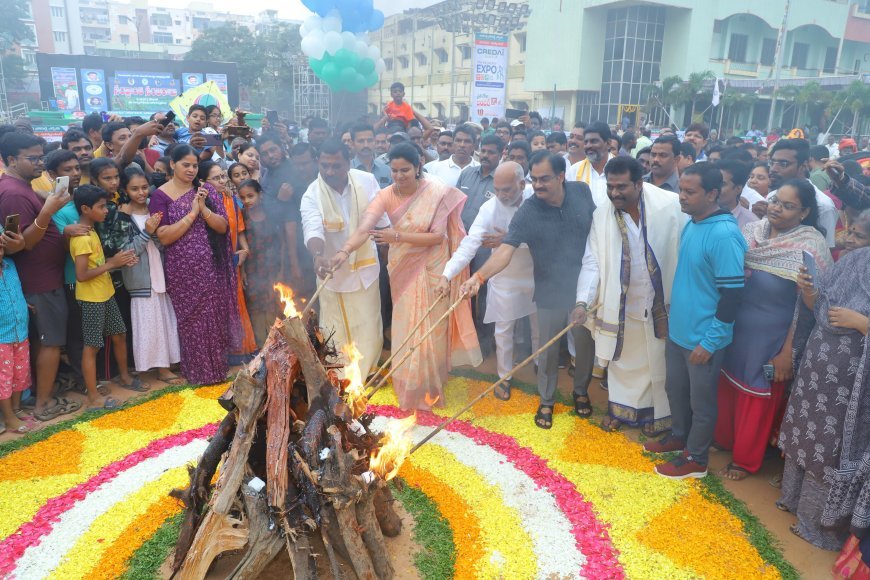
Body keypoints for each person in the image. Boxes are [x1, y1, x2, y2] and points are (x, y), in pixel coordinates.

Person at [329, 142, 481, 409]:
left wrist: (395, 236)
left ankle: (431, 387)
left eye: (405, 170)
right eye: (395, 170)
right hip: (402, 267)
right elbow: (366, 226)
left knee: (430, 329)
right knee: (405, 328)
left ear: (418, 167)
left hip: (433, 266)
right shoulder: (386, 194)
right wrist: (344, 251)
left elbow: (437, 237)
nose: (399, 176)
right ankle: (410, 387)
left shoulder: (437, 191)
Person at [461, 151, 596, 429]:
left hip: (585, 283)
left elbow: (599, 232)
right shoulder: (529, 210)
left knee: (584, 344)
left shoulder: (582, 192)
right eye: (534, 179)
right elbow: (505, 250)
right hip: (548, 286)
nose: (538, 185)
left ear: (561, 176)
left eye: (544, 179)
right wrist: (480, 277)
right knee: (547, 348)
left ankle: (580, 391)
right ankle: (546, 400)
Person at [715, 179, 832, 481]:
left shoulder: (809, 245)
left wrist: (787, 353)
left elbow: (809, 308)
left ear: (804, 212)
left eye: (787, 205)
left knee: (760, 393)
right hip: (737, 330)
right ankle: (724, 440)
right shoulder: (752, 231)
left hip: (774, 341)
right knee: (729, 385)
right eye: (776, 200)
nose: (777, 208)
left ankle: (745, 460)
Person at [646, 162, 747, 479]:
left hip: (704, 339)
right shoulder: (693, 222)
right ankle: (678, 436)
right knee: (675, 390)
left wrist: (710, 342)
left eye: (690, 192)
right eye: (681, 190)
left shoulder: (724, 235)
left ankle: (697, 459)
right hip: (679, 332)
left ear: (713, 193)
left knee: (701, 403)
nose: (682, 197)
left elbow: (732, 296)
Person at [778, 209, 870, 551]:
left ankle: (816, 524)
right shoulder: (848, 262)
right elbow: (822, 312)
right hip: (820, 371)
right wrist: (811, 292)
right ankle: (792, 500)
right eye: (851, 233)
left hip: (853, 382)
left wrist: (863, 324)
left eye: (859, 236)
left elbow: (853, 319)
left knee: (827, 450)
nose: (849, 241)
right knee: (806, 436)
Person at [574, 156, 682, 434]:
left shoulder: (669, 206)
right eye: (610, 186)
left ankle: (658, 417)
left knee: (657, 362)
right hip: (620, 302)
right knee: (621, 361)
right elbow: (592, 261)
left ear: (639, 183)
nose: (614, 193)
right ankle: (621, 412)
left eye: (622, 187)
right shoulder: (602, 215)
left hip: (660, 301)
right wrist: (582, 301)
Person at [0, 132, 82, 422]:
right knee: (50, 342)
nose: (38, 163)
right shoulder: (13, 192)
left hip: (44, 277)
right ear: (11, 160)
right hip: (39, 280)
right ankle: (43, 404)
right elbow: (25, 242)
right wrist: (47, 212)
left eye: (40, 157)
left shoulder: (22, 187)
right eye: (31, 158)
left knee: (45, 340)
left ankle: (37, 395)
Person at [437, 162, 538, 394]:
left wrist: (509, 240)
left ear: (522, 185)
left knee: (538, 327)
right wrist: (447, 274)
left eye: (508, 190)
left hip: (536, 274)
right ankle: (504, 376)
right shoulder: (490, 207)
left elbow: (546, 237)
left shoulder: (536, 200)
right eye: (497, 189)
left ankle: (541, 364)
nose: (501, 196)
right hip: (503, 275)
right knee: (503, 329)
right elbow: (470, 244)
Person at [149, 144, 239, 385]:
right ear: (172, 164)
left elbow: (222, 227)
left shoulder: (205, 190)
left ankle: (216, 369)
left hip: (208, 264)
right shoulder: (160, 196)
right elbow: (165, 236)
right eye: (185, 165)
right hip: (181, 269)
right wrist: (191, 213)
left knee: (212, 317)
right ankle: (197, 371)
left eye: (194, 165)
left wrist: (204, 211)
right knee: (190, 320)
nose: (190, 170)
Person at [300, 139, 386, 376]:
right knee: (336, 327)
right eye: (324, 165)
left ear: (348, 163)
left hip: (366, 270)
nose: (329, 171)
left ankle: (366, 373)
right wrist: (318, 256)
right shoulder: (312, 194)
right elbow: (312, 228)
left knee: (368, 323)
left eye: (336, 166)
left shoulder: (366, 181)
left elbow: (382, 220)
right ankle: (340, 375)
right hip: (332, 273)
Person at [71, 185, 141, 409]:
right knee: (92, 346)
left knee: (119, 333)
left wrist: (117, 262)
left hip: (105, 292)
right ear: (85, 208)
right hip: (92, 298)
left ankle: (124, 377)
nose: (106, 211)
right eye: (101, 207)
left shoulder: (90, 230)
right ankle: (93, 397)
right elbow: (81, 275)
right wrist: (112, 264)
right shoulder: (82, 237)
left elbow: (98, 265)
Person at [112, 167, 182, 384]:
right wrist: (147, 232)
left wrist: (157, 233)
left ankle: (168, 363)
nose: (141, 193)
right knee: (149, 322)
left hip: (160, 272)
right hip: (141, 279)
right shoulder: (122, 215)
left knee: (164, 319)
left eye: (144, 187)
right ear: (125, 190)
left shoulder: (155, 209)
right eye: (135, 189)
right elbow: (125, 252)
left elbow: (163, 243)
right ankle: (156, 368)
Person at [199, 161, 258, 358]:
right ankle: (226, 352)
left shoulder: (230, 199)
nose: (222, 181)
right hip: (214, 264)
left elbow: (239, 229)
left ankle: (243, 348)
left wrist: (245, 251)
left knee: (238, 302)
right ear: (203, 182)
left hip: (234, 261)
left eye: (223, 176)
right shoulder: (204, 202)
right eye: (216, 178)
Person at [237, 179, 293, 345]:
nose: (247, 201)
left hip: (273, 266)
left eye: (250, 196)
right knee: (255, 305)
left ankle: (280, 343)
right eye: (242, 197)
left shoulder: (271, 214)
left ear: (260, 195)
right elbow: (240, 246)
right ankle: (263, 345)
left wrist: (282, 268)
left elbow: (282, 243)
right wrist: (243, 272)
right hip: (253, 268)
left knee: (275, 302)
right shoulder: (242, 216)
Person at [764, 139, 838, 248]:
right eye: (772, 162)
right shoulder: (772, 196)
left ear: (804, 165)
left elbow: (825, 252)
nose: (773, 169)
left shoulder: (823, 205)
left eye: (783, 164)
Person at [0, 224, 34, 434]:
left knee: (19, 374)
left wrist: (23, 304)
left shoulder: (10, 266)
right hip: (1, 337)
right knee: (3, 377)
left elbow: (15, 290)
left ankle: (16, 407)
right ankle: (9, 416)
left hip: (20, 331)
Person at [567, 121, 613, 205]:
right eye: (586, 142)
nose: (588, 146)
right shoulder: (574, 170)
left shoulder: (623, 169)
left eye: (594, 141)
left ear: (609, 143)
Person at [717, 159, 759, 230]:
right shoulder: (697, 214)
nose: (715, 188)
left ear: (738, 189)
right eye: (714, 182)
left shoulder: (751, 224)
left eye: (722, 184)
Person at [350, 124, 392, 188]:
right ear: (352, 144)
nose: (366, 145)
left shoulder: (386, 170)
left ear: (374, 141)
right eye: (361, 141)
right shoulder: (347, 170)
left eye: (369, 140)